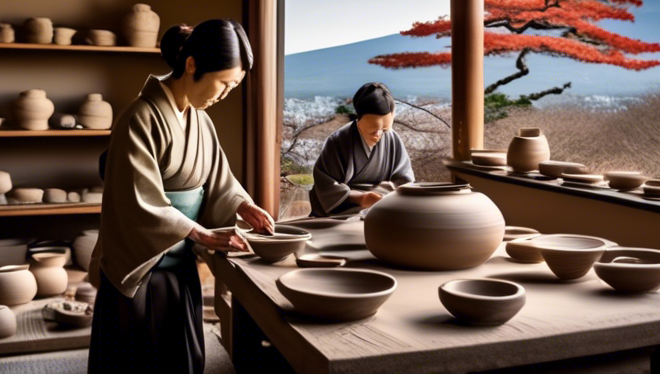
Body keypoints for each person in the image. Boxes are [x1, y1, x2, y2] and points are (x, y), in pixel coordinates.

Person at [87, 20, 274, 374]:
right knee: (140, 363)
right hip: (143, 264)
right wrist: (201, 233)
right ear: (191, 65)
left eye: (233, 86)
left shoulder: (201, 120)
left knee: (185, 361)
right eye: (222, 83)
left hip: (180, 261)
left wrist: (241, 203)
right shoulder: (139, 117)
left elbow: (220, 177)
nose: (224, 95)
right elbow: (136, 201)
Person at [310, 82, 415, 216]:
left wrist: (383, 194)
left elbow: (404, 179)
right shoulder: (338, 140)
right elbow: (326, 186)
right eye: (372, 130)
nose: (378, 135)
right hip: (346, 209)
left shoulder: (392, 139)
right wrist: (361, 199)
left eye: (384, 129)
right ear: (358, 119)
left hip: (385, 205)